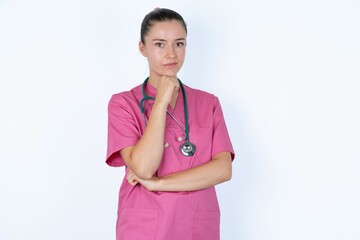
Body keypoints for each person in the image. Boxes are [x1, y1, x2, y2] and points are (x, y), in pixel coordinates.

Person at [106, 8, 235, 240]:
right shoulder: (123, 104)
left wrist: (157, 184)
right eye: (159, 44)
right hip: (144, 228)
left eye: (179, 43)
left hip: (197, 226)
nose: (171, 54)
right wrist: (161, 101)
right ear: (142, 48)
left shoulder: (208, 103)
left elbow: (223, 170)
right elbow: (143, 167)